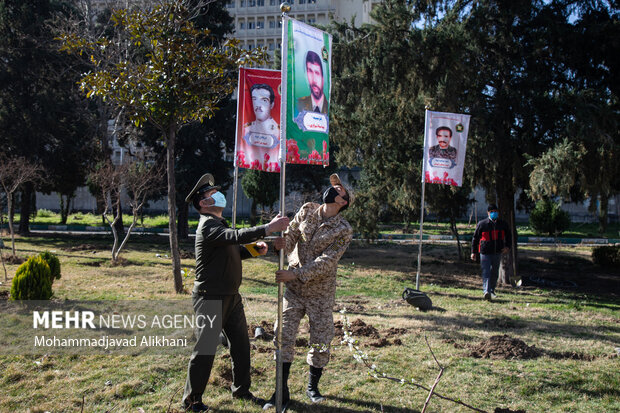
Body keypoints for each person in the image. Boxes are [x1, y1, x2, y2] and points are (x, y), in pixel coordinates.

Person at [181, 173, 290, 412]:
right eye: (211, 194)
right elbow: (234, 236)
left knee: (240, 346)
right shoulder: (207, 225)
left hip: (231, 297)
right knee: (205, 350)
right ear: (203, 203)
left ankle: (241, 390)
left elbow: (234, 249)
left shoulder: (218, 225)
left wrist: (258, 249)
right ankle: (192, 401)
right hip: (210, 297)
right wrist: (267, 228)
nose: (218, 195)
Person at [263, 174, 353, 411]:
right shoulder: (307, 210)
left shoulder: (343, 229)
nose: (333, 188)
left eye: (339, 189)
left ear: (343, 202)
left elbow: (327, 261)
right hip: (293, 290)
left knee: (321, 338)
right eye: (332, 185)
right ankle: (280, 391)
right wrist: (280, 244)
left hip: (320, 292)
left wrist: (295, 274)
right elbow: (292, 233)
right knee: (283, 333)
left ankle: (313, 387)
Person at [470, 204, 511, 301]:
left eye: (495, 211)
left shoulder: (503, 224)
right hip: (485, 252)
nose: (494, 213)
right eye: (492, 211)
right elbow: (475, 238)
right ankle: (486, 291)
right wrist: (473, 252)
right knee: (486, 272)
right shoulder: (482, 224)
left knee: (494, 273)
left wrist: (507, 247)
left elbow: (509, 236)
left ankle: (492, 290)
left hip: (497, 252)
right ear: (488, 213)